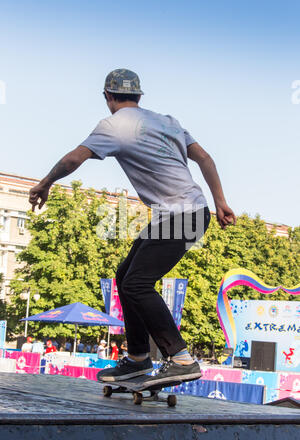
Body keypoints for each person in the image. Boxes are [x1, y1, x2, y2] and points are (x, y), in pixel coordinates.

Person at [29, 68, 236, 386]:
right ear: (139, 96)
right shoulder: (168, 120)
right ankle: (138, 358)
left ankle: (180, 357)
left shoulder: (113, 126)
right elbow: (205, 158)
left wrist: (45, 183)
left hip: (181, 216)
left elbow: (74, 159)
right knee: (125, 277)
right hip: (190, 212)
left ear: (107, 97)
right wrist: (220, 201)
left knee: (137, 283)